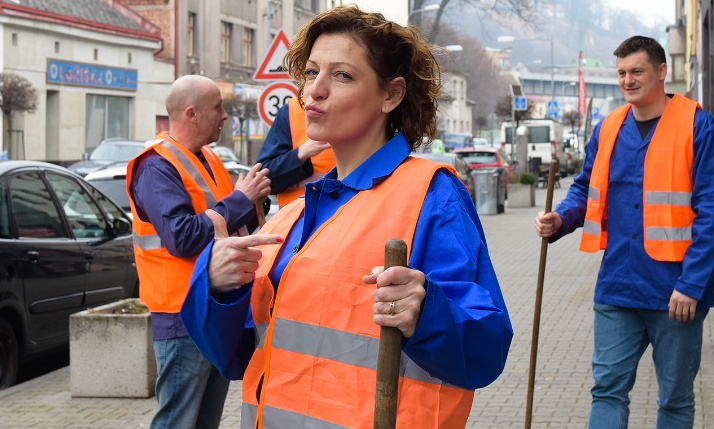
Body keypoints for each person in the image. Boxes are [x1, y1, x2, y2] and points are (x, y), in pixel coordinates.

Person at [181, 6, 513, 429]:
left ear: (391, 95)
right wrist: (216, 286)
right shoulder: (294, 215)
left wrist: (428, 312)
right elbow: (236, 356)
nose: (314, 91)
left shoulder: (432, 196)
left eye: (342, 76)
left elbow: (486, 350)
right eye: (311, 72)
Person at [534, 36, 714, 428]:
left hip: (676, 293)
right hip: (618, 287)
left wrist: (692, 284)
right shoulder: (609, 128)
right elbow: (584, 187)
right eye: (622, 73)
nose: (628, 80)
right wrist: (561, 219)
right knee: (607, 389)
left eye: (637, 71)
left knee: (675, 400)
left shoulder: (699, 128)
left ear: (661, 72)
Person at [126, 74, 274, 429]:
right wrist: (241, 199)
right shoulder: (155, 166)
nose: (225, 116)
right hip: (181, 317)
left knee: (203, 422)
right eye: (218, 108)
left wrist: (253, 204)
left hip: (214, 310)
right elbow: (181, 237)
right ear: (191, 114)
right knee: (178, 421)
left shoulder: (207, 159)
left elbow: (230, 226)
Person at [256, 97, 335, 207]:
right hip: (297, 218)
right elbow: (264, 179)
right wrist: (301, 153)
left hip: (351, 215)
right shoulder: (291, 110)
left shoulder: (362, 109)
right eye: (312, 78)